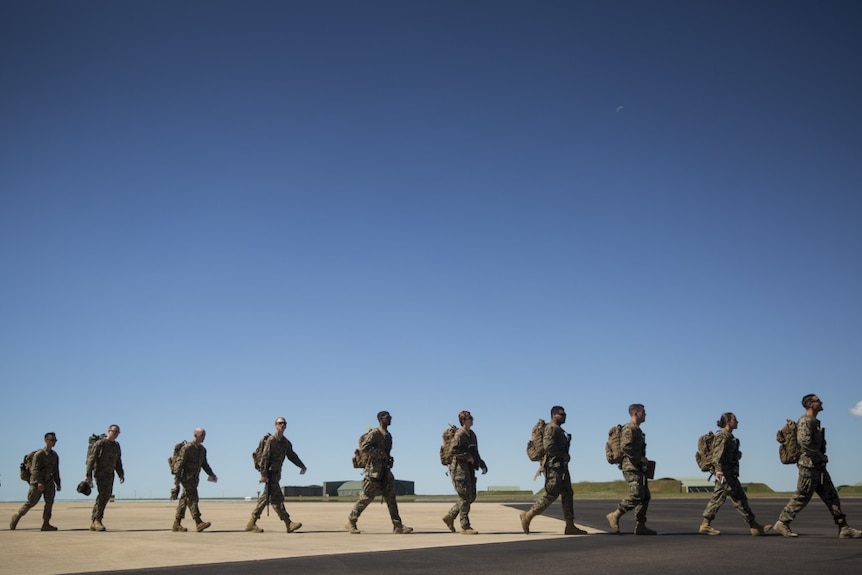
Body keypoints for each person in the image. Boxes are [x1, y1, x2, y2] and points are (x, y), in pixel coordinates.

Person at [774, 394, 862, 538]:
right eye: (817, 401)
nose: (821, 402)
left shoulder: (814, 421)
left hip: (818, 466)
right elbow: (804, 443)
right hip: (808, 467)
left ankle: (843, 527)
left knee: (832, 496)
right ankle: (782, 522)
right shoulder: (805, 421)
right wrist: (821, 456)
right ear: (810, 404)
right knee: (802, 496)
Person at [698, 413, 771, 536]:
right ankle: (753, 526)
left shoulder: (730, 437)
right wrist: (719, 470)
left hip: (729, 474)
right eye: (735, 420)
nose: (737, 422)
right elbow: (717, 455)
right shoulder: (722, 436)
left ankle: (753, 526)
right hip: (725, 475)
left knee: (733, 499)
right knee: (729, 499)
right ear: (728, 422)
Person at [520, 406, 587, 535]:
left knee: (568, 493)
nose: (564, 416)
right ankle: (528, 515)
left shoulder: (559, 430)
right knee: (551, 494)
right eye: (561, 414)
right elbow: (548, 446)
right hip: (553, 467)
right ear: (554, 415)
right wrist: (562, 455)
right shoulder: (551, 429)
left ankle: (570, 525)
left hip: (561, 467)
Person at [345, 411, 413, 534]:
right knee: (366, 498)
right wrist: (380, 453)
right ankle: (351, 521)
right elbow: (364, 447)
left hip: (385, 471)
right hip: (373, 472)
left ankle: (397, 525)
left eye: (390, 417)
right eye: (388, 417)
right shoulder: (375, 433)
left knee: (391, 498)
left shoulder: (388, 435)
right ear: (381, 419)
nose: (390, 419)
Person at [246, 417, 307, 533]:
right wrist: (263, 474)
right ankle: (288, 523)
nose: (282, 425)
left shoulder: (285, 442)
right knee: (275, 499)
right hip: (269, 474)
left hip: (276, 474)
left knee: (269, 499)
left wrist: (302, 466)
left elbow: (292, 455)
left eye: (284, 423)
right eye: (280, 423)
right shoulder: (271, 440)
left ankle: (252, 522)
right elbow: (264, 458)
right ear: (275, 425)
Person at [606, 404, 655, 535]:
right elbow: (625, 447)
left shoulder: (638, 430)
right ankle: (615, 515)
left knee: (645, 496)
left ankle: (640, 525)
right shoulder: (629, 429)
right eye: (643, 412)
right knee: (637, 494)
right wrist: (640, 458)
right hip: (630, 466)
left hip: (638, 466)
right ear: (635, 414)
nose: (645, 414)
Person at [442, 411, 488, 535]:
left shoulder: (472, 434)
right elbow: (453, 450)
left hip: (469, 470)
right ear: (463, 420)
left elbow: (475, 452)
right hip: (459, 470)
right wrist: (466, 456)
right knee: (465, 497)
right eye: (470, 418)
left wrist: (482, 464)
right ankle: (465, 526)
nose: (472, 420)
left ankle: (450, 516)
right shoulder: (460, 434)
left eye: (472, 417)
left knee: (471, 496)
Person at [10, 432, 61, 531]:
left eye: (55, 440)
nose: (54, 442)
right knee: (32, 502)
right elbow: (35, 470)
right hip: (37, 482)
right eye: (52, 440)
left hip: (49, 482)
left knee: (49, 502)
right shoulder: (39, 454)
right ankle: (17, 515)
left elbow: (56, 470)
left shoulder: (54, 455)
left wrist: (58, 483)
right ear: (46, 440)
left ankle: (46, 523)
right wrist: (39, 482)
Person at [172, 428, 218, 533]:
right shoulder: (187, 448)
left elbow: (204, 464)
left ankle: (176, 524)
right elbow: (180, 463)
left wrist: (211, 474)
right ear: (195, 435)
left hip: (194, 478)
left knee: (184, 500)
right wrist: (177, 478)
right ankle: (198, 522)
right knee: (193, 499)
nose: (204, 437)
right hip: (186, 478)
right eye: (202, 435)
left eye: (204, 435)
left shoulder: (202, 450)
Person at [85, 424, 124, 532]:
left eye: (117, 432)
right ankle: (97, 520)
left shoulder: (116, 445)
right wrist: (88, 475)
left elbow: (118, 461)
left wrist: (121, 473)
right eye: (114, 431)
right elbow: (91, 460)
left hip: (110, 473)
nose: (115, 434)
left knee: (105, 496)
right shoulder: (100, 444)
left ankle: (94, 520)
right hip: (100, 473)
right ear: (108, 431)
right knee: (104, 495)